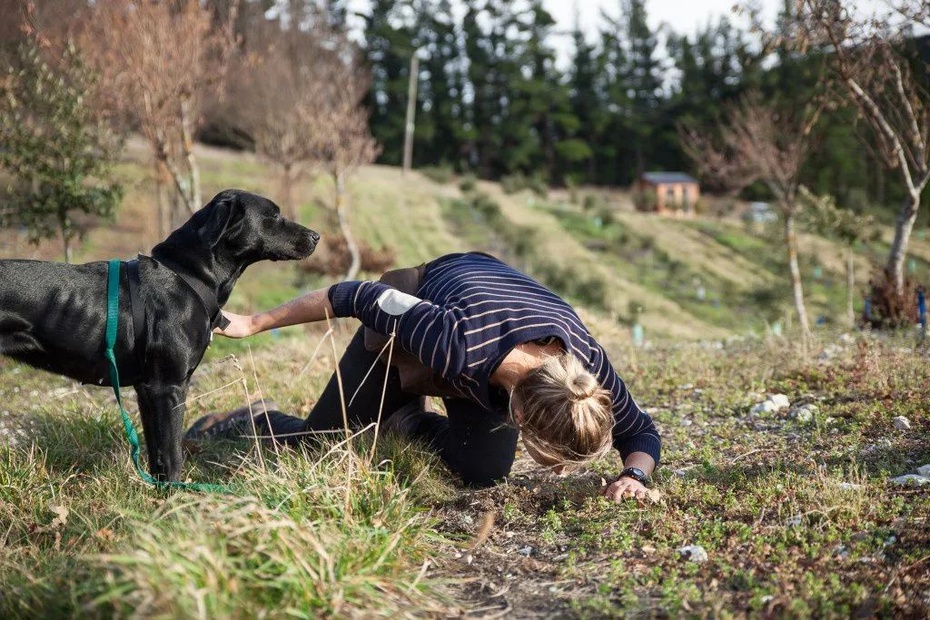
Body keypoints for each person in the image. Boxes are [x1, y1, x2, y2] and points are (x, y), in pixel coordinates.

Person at [185, 252, 660, 502]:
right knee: (320, 445)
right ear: (517, 411)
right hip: (413, 320)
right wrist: (255, 323)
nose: (555, 472)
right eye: (551, 459)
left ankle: (404, 422)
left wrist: (635, 474)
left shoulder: (584, 370)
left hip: (491, 314)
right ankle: (243, 419)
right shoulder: (455, 339)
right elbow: (355, 294)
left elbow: (640, 429)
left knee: (481, 471)